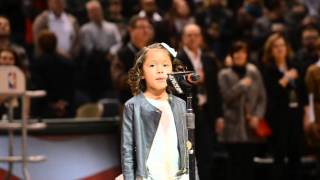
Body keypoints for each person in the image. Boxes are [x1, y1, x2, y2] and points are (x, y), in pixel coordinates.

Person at [120, 43, 189, 179]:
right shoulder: (133, 106)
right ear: (141, 73)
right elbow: (127, 151)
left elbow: (188, 148)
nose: (160, 70)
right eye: (152, 65)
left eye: (165, 65)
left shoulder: (180, 104)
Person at [177, 23, 223, 180]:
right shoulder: (177, 60)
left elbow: (216, 90)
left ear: (201, 38)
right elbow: (175, 88)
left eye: (196, 35)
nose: (192, 38)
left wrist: (219, 116)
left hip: (207, 112)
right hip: (187, 113)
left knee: (207, 155)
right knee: (187, 156)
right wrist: (193, 79)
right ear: (183, 38)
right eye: (189, 35)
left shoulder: (209, 59)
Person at [218, 41, 266, 180]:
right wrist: (241, 86)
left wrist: (258, 116)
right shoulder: (224, 74)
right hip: (233, 126)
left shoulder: (254, 71)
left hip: (251, 125)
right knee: (234, 164)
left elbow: (262, 98)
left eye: (242, 52)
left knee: (249, 164)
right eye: (236, 52)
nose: (239, 55)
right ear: (232, 55)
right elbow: (226, 97)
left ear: (247, 55)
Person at [261, 33, 307, 180]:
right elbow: (271, 93)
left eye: (282, 45)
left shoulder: (295, 65)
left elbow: (303, 93)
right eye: (276, 46)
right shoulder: (268, 69)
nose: (280, 49)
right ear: (270, 50)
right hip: (278, 117)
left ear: (287, 48)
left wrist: (306, 115)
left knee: (296, 154)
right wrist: (286, 79)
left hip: (296, 114)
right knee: (279, 155)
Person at [111, 15, 154, 104]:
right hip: (129, 105)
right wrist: (142, 77)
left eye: (148, 27)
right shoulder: (121, 54)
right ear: (131, 30)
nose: (146, 31)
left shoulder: (154, 52)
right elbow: (118, 79)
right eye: (142, 27)